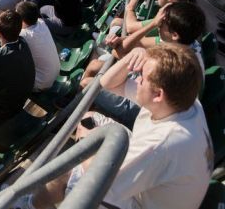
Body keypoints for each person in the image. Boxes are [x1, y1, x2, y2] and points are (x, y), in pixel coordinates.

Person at [21, 44, 212, 209]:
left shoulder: (163, 143)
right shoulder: (183, 100)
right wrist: (132, 55)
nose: (136, 79)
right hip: (153, 185)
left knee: (68, 170)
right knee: (90, 117)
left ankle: (28, 204)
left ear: (158, 95)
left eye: (142, 78)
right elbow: (105, 83)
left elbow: (101, 174)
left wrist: (87, 140)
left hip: (141, 203)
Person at [16, 1, 61, 92]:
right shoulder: (41, 22)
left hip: (41, 84)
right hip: (56, 73)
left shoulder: (24, 35)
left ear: (22, 20)